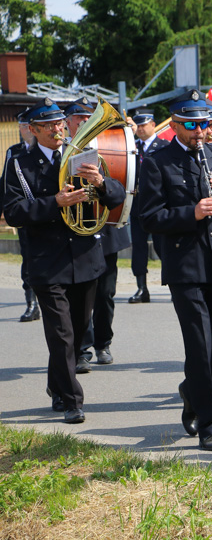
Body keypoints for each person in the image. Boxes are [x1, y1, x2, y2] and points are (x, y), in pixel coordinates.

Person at [2, 98, 125, 423]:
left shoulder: (83, 156)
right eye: (50, 125)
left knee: (79, 328)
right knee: (61, 333)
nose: (59, 129)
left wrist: (100, 182)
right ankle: (73, 401)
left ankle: (56, 384)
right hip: (47, 261)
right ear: (34, 130)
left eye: (60, 123)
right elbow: (14, 212)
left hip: (85, 257)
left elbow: (116, 197)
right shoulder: (18, 163)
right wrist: (55, 202)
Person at [139, 89, 212, 451]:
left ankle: (191, 388)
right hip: (185, 265)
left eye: (206, 123)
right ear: (175, 124)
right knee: (199, 347)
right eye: (192, 124)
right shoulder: (157, 161)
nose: (200, 131)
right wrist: (192, 213)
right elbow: (149, 217)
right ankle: (209, 423)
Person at [65, 97, 132, 369]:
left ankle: (103, 342)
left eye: (87, 117)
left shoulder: (108, 147)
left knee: (105, 293)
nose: (83, 122)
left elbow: (121, 183)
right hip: (74, 233)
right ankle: (82, 349)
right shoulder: (61, 150)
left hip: (105, 230)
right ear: (67, 122)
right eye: (78, 118)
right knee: (78, 296)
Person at [0, 110, 40, 322]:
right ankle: (31, 303)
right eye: (21, 126)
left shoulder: (48, 150)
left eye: (26, 126)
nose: (23, 130)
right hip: (26, 214)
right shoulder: (13, 151)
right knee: (28, 259)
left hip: (48, 212)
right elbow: (5, 183)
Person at [128, 108, 170, 304]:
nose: (142, 129)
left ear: (154, 125)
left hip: (158, 203)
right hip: (137, 204)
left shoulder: (163, 146)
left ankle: (172, 283)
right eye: (139, 125)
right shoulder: (131, 147)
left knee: (164, 246)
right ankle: (141, 288)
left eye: (145, 125)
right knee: (138, 247)